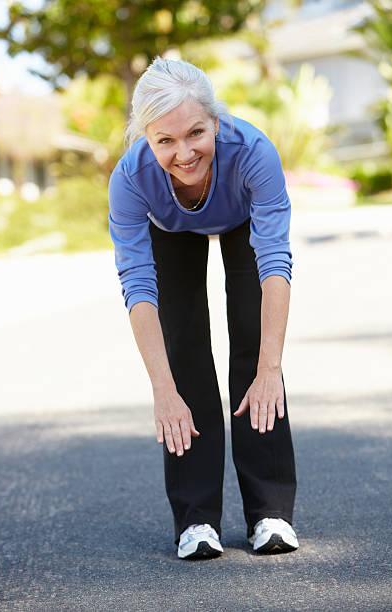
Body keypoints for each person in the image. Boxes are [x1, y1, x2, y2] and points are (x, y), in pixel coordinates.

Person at [108, 57, 298, 560]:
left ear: (215, 121)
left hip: (241, 221)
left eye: (196, 132)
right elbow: (137, 285)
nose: (184, 152)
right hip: (170, 228)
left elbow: (275, 258)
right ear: (144, 137)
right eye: (164, 140)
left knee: (257, 350)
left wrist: (271, 367)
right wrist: (162, 391)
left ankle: (270, 512)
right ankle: (196, 520)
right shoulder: (130, 179)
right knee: (184, 357)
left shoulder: (253, 152)